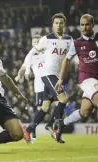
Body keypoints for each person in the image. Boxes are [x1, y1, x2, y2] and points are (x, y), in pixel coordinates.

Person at [23, 13, 74, 144]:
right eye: (56, 23)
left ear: (64, 24)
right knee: (63, 99)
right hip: (47, 74)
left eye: (61, 23)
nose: (59, 25)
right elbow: (31, 53)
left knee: (45, 107)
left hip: (57, 75)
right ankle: (53, 126)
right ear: (52, 25)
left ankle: (28, 130)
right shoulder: (46, 39)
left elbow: (74, 58)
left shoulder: (69, 40)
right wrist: (28, 68)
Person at [54, 14, 98, 142]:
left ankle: (61, 124)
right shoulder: (77, 43)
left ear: (93, 25)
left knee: (84, 111)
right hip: (87, 80)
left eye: (87, 24)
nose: (84, 27)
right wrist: (61, 78)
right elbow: (66, 60)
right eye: (82, 25)